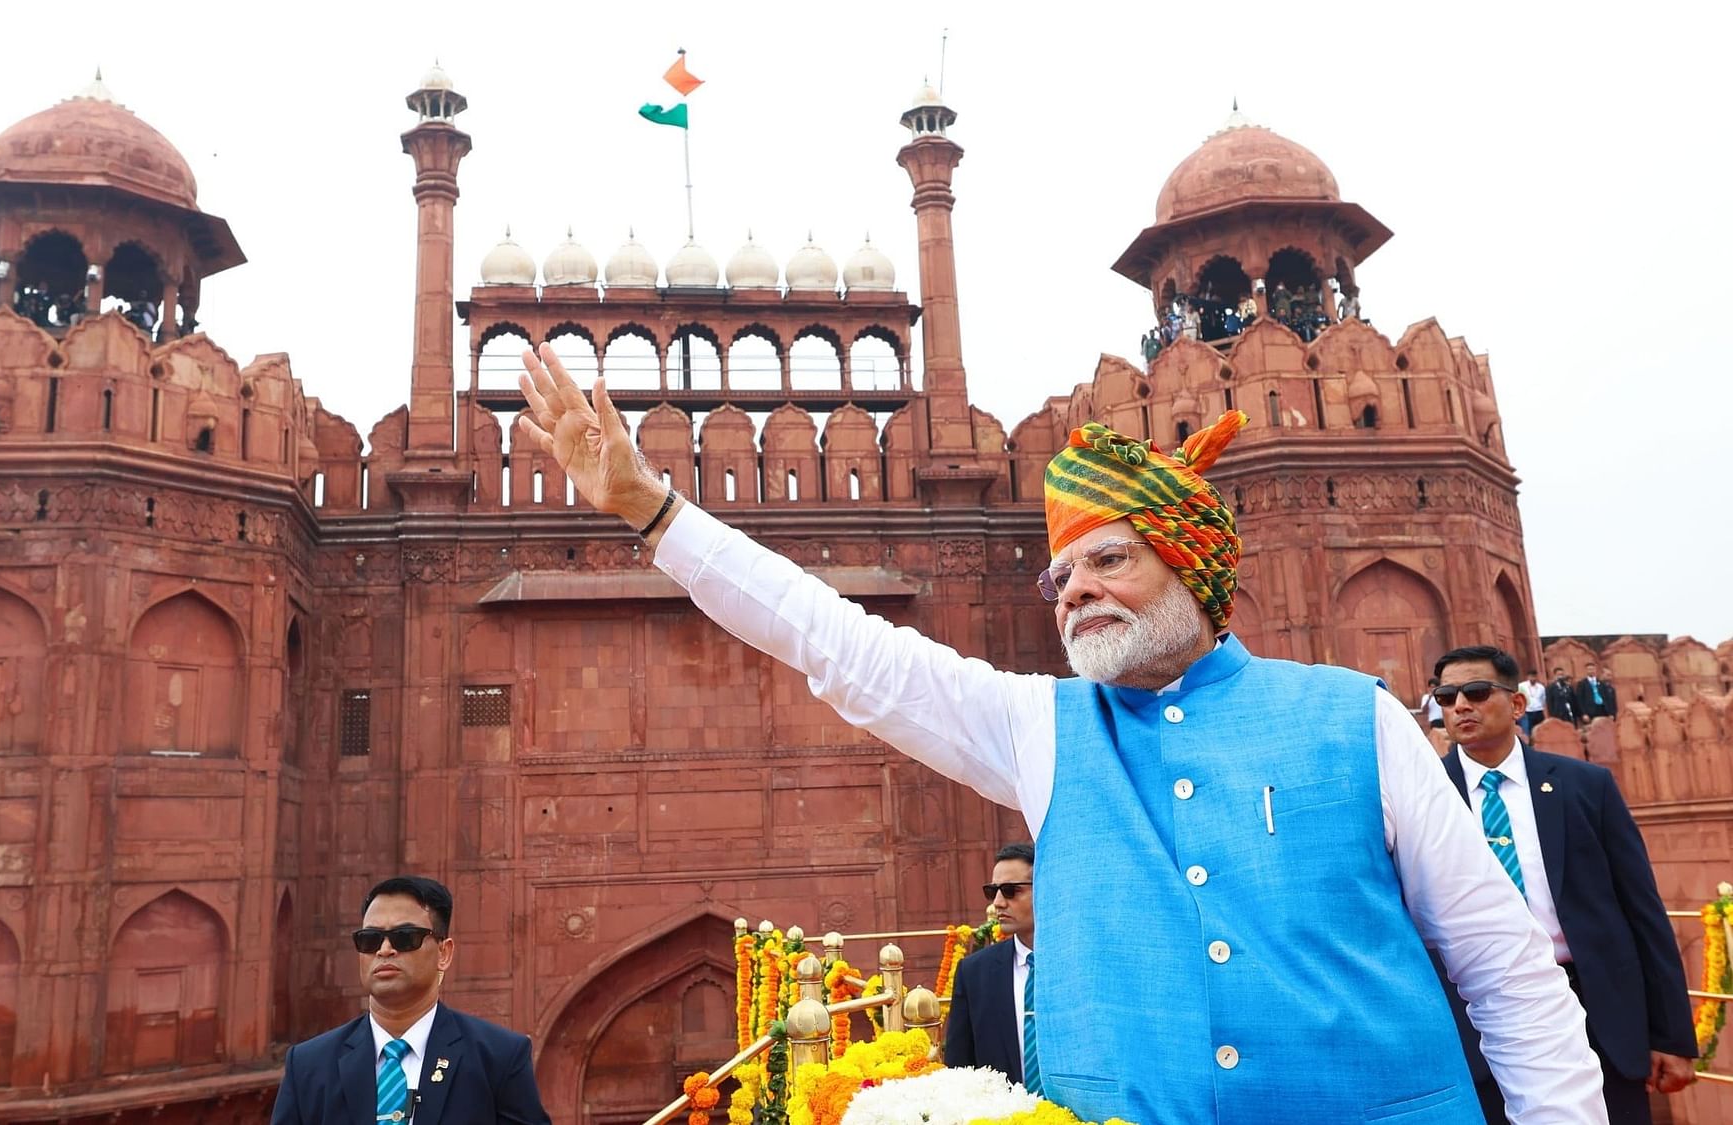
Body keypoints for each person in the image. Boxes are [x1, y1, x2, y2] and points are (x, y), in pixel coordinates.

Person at [514, 342, 1601, 1123]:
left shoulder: (1348, 719)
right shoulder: (1043, 729)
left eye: (1107, 559)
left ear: (1191, 564)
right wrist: (651, 510)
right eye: (1059, 572)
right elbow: (839, 645)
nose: (1072, 589)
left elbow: (1505, 972)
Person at [1431, 645, 1696, 1125]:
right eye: (1447, 697)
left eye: (1475, 692)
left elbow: (1643, 914)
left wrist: (1670, 1036)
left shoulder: (1585, 786)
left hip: (1590, 1006)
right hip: (1472, 1010)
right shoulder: (1423, 798)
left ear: (1517, 705)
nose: (1460, 706)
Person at [271, 876, 551, 1125]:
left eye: (405, 938)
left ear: (444, 952)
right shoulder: (309, 1065)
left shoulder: (497, 1058)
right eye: (370, 939)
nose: (385, 949)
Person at [944, 843, 1039, 1090]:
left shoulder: (1083, 968)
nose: (997, 903)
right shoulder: (975, 973)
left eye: (1010, 890)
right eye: (992, 891)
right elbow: (959, 1069)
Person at [1516, 670, 1547, 738]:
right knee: (1527, 731)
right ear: (1528, 677)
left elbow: (1543, 699)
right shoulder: (1521, 686)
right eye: (1531, 676)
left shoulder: (1541, 687)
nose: (1533, 678)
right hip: (1527, 711)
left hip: (1538, 711)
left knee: (1541, 730)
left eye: (1534, 676)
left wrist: (1540, 706)